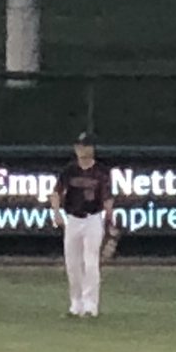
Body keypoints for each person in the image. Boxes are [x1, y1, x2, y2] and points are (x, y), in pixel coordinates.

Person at [50, 130, 114, 318]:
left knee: (91, 262)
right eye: (78, 146)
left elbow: (107, 198)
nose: (80, 149)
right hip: (73, 220)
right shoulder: (69, 170)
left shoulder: (100, 172)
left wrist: (110, 219)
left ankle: (90, 306)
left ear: (92, 148)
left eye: (84, 146)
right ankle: (75, 304)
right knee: (72, 263)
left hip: (93, 219)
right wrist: (55, 212)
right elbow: (56, 193)